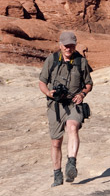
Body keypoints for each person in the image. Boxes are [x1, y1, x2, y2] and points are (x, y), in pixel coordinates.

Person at [39, 31, 93, 187]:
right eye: (65, 46)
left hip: (73, 103)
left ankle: (71, 163)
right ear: (60, 45)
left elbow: (89, 83)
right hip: (55, 105)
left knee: (72, 127)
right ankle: (57, 174)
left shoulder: (81, 62)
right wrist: (48, 92)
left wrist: (82, 94)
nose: (68, 49)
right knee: (56, 142)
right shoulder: (52, 60)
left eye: (71, 45)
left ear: (75, 45)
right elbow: (42, 82)